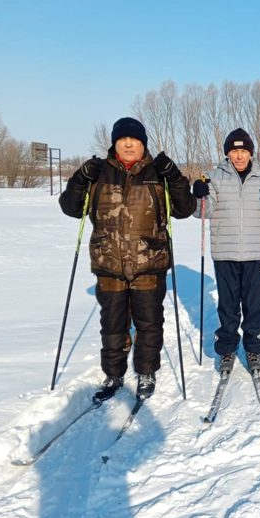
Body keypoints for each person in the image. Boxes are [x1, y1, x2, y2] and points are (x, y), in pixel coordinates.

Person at [59, 117, 196, 401]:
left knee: (149, 322)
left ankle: (146, 372)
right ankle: (114, 374)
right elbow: (71, 208)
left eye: (134, 139)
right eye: (123, 140)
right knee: (113, 324)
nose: (129, 144)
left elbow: (185, 209)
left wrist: (174, 176)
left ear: (143, 143)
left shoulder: (156, 172)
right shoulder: (99, 173)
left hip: (149, 262)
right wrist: (80, 177)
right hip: (109, 264)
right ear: (114, 143)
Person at [193, 127, 260, 375]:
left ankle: (253, 347)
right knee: (228, 305)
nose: (239, 155)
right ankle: (226, 348)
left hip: (255, 253)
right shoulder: (212, 177)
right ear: (227, 153)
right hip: (225, 253)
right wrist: (199, 196)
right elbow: (204, 212)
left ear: (250, 153)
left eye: (243, 150)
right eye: (234, 151)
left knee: (255, 305)